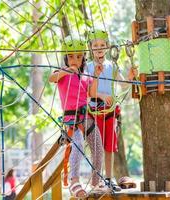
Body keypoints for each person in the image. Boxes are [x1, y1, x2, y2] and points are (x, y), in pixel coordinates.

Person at [49, 35, 104, 198]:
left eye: (79, 57)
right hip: (71, 119)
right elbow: (51, 78)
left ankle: (96, 181)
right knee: (78, 144)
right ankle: (74, 181)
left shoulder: (85, 75)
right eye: (71, 56)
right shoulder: (61, 74)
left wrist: (96, 75)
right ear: (65, 57)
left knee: (98, 148)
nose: (75, 60)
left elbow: (92, 93)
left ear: (83, 59)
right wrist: (66, 71)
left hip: (86, 116)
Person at [86, 29, 137, 191]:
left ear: (107, 47)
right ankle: (97, 178)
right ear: (91, 48)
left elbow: (123, 86)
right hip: (94, 111)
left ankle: (109, 178)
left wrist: (130, 77)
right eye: (95, 45)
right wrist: (100, 95)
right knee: (97, 147)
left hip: (109, 112)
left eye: (102, 45)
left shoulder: (112, 66)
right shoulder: (87, 67)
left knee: (110, 146)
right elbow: (87, 91)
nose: (99, 48)